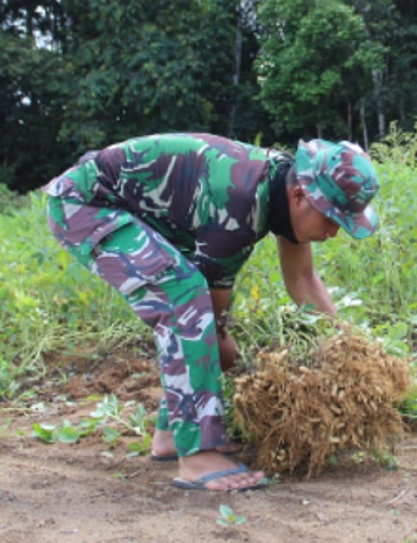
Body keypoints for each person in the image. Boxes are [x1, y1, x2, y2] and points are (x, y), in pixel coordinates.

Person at [44, 134, 381, 490]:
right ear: (300, 197)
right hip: (85, 204)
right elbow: (208, 319)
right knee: (185, 298)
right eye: (332, 220)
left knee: (192, 304)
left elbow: (302, 279)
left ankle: (172, 435)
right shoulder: (241, 202)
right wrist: (245, 368)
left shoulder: (285, 186)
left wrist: (349, 352)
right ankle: (197, 455)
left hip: (143, 211)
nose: (334, 232)